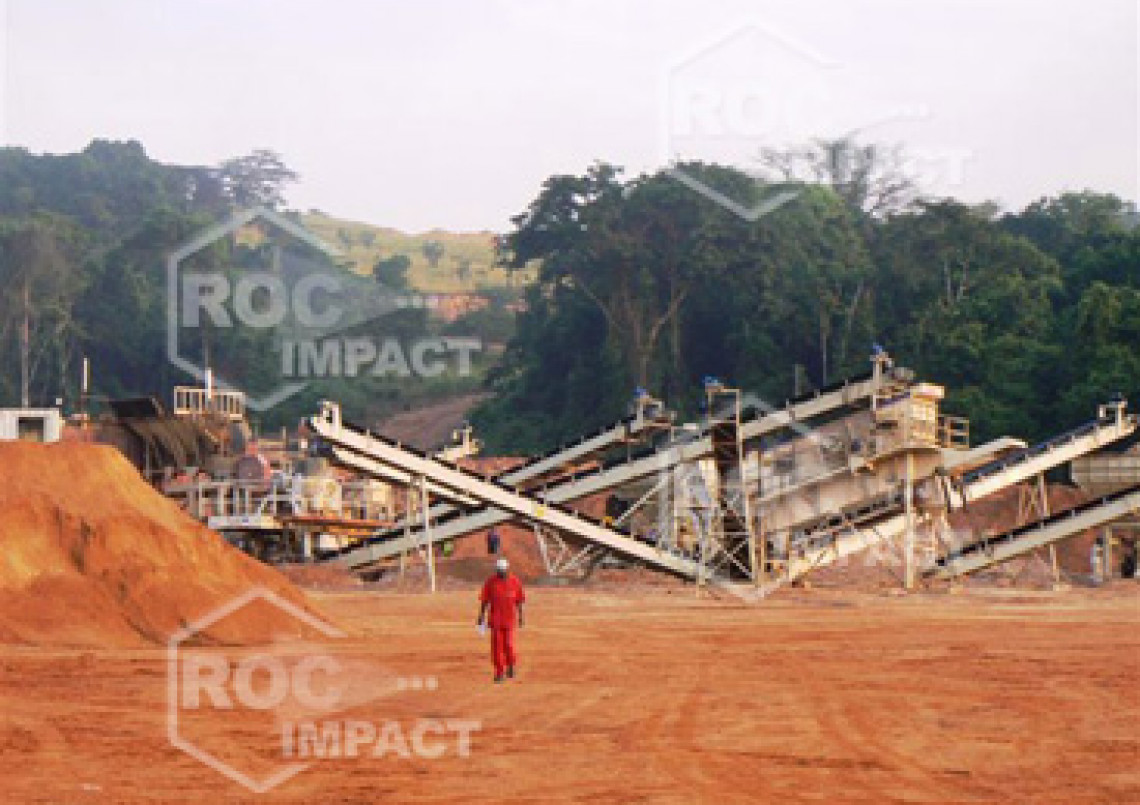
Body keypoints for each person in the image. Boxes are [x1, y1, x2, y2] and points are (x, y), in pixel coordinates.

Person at [477, 557, 525, 683]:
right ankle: (499, 673)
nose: (501, 573)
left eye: (503, 570)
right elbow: (484, 600)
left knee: (509, 645)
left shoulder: (515, 582)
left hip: (509, 620)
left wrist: (521, 616)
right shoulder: (490, 582)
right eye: (499, 570)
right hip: (495, 621)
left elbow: (519, 601)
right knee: (497, 648)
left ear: (507, 569)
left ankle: (511, 666)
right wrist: (481, 616)